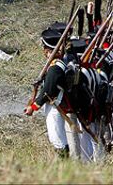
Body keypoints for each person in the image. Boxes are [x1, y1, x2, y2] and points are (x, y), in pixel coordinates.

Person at [23, 29, 70, 157]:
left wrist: (33, 107)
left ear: (47, 49)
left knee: (57, 139)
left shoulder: (55, 67)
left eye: (44, 48)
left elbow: (48, 90)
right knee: (58, 137)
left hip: (55, 105)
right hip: (57, 103)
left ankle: (63, 164)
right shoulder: (57, 63)